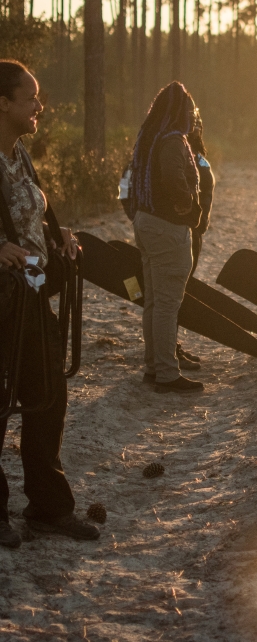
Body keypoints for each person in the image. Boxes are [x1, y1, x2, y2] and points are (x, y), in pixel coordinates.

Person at [0, 59, 100, 547]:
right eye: (30, 98)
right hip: (0, 296)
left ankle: (49, 506)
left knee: (47, 396)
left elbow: (27, 211)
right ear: (2, 103)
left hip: (30, 290)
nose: (39, 106)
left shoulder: (18, 153)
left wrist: (53, 230)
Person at [132, 81, 204, 394]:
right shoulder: (173, 141)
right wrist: (188, 207)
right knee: (166, 305)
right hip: (166, 228)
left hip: (146, 221)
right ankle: (166, 373)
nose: (192, 115)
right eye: (189, 110)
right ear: (179, 112)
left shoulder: (150, 136)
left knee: (153, 301)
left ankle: (153, 366)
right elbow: (175, 179)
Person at [176, 112, 216, 369]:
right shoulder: (174, 153)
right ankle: (169, 349)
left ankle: (172, 345)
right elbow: (128, 186)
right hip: (183, 232)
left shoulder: (196, 156)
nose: (196, 130)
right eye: (192, 126)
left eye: (198, 126)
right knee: (174, 293)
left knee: (181, 290)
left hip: (195, 233)